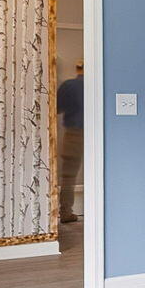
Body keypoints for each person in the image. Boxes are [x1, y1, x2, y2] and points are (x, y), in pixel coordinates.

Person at [56, 61, 84, 223]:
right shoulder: (101, 84)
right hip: (99, 132)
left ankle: (65, 211)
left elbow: (56, 108)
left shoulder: (69, 86)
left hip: (74, 133)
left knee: (68, 175)